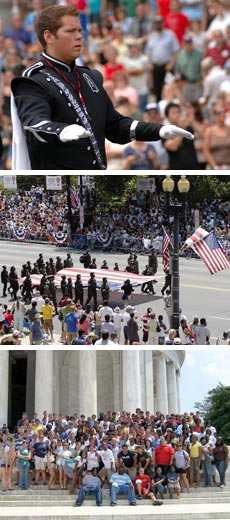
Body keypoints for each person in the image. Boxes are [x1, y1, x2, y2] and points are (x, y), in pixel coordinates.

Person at [11, 5, 194, 171]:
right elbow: (34, 126)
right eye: (70, 31)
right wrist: (61, 130)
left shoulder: (90, 77)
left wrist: (158, 130)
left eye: (80, 30)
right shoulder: (33, 80)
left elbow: (115, 126)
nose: (79, 36)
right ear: (48, 36)